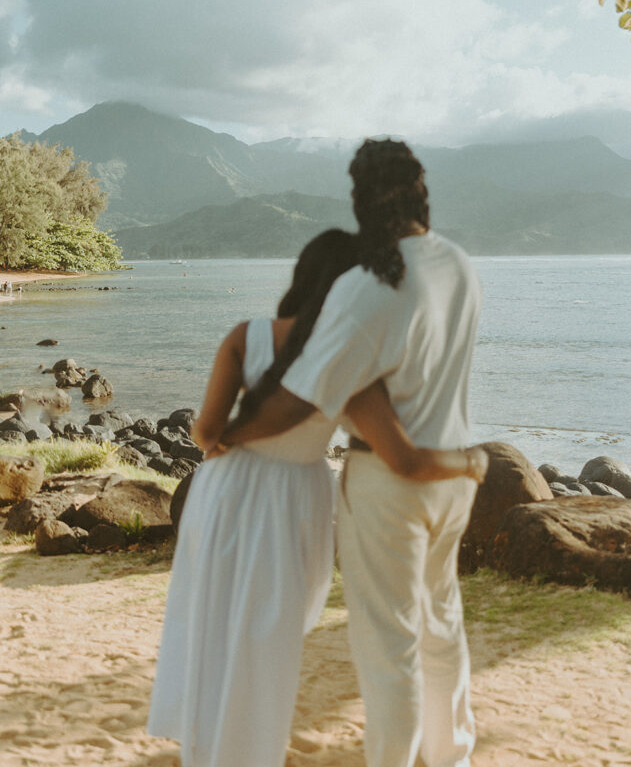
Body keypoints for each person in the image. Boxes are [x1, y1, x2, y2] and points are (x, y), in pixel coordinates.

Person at [147, 228, 487, 767]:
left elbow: (206, 431)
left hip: (225, 489)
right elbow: (397, 450)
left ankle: (206, 748)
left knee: (212, 615)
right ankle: (251, 750)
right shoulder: (349, 358)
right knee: (270, 637)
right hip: (294, 495)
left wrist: (234, 434)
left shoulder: (246, 335)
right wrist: (470, 460)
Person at [219, 139, 484, 767]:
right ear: (422, 193)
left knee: (388, 644)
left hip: (390, 484)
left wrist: (229, 432)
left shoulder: (370, 286)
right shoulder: (460, 264)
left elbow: (297, 400)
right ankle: (454, 758)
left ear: (362, 201)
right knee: (441, 626)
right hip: (455, 476)